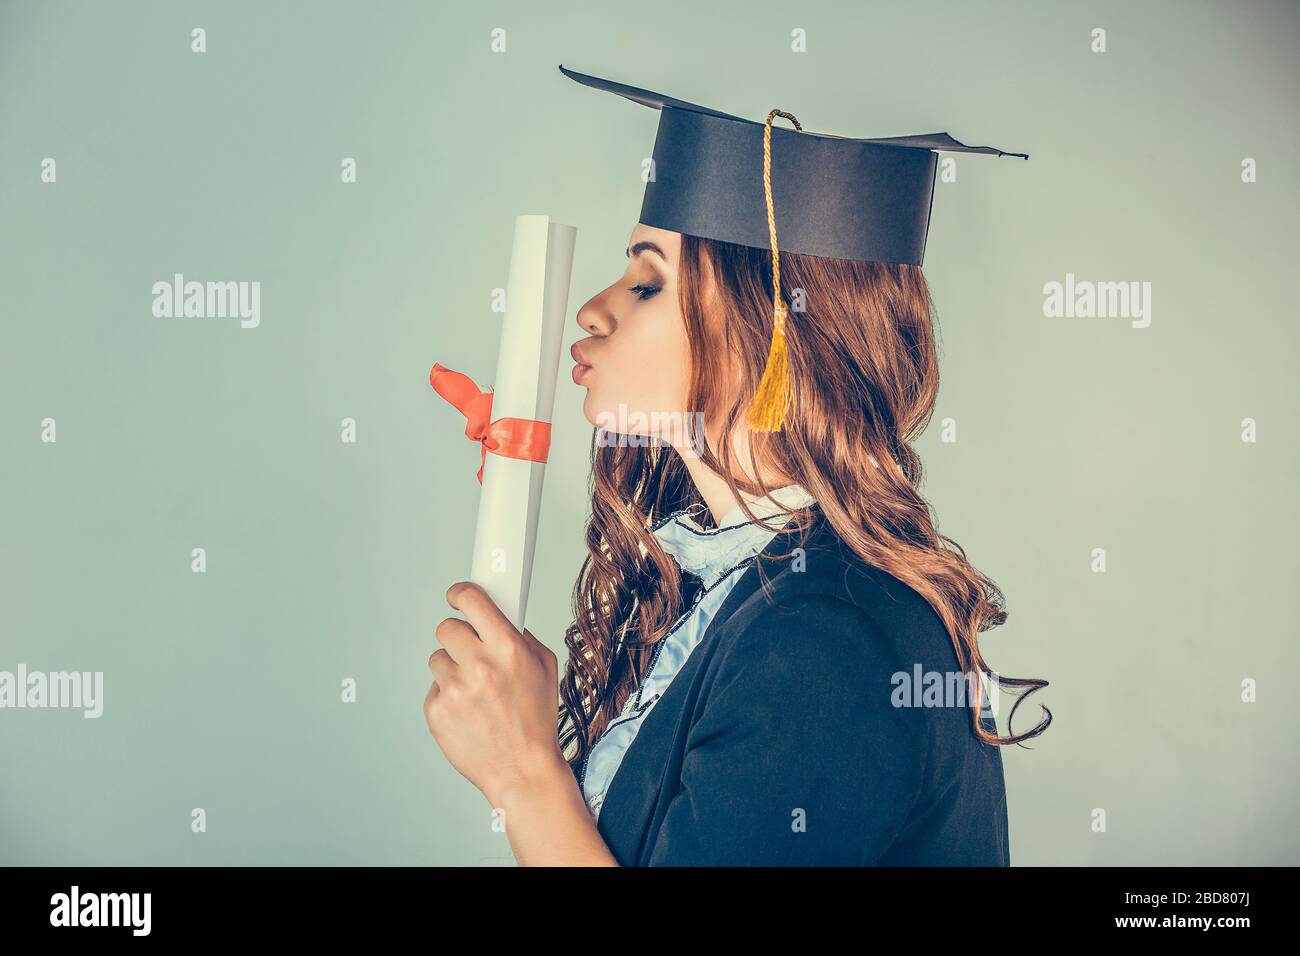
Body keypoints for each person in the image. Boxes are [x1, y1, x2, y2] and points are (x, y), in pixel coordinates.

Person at [422, 68, 1051, 866]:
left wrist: (523, 776)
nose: (594, 308)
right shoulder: (732, 588)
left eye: (648, 283)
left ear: (767, 336)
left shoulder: (826, 643)